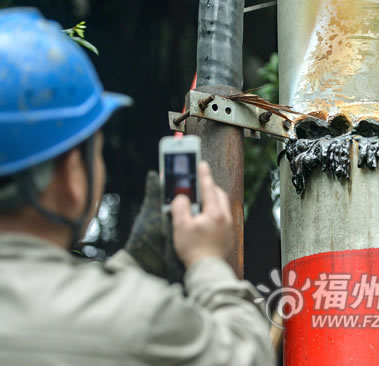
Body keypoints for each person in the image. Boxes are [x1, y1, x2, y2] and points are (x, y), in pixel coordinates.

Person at [0, 8, 275, 365]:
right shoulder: (141, 317)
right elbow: (246, 355)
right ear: (70, 175)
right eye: (97, 151)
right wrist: (208, 261)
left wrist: (131, 263)